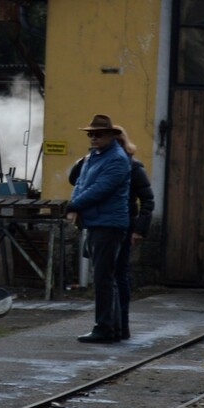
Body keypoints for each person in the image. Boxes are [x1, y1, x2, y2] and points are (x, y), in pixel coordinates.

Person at [67, 125, 154, 341]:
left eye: (98, 135)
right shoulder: (95, 159)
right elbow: (76, 180)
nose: (93, 139)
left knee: (114, 277)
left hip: (118, 223)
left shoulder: (126, 164)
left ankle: (114, 326)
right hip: (107, 220)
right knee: (112, 276)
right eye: (91, 135)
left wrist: (139, 229)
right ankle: (117, 327)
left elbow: (146, 200)